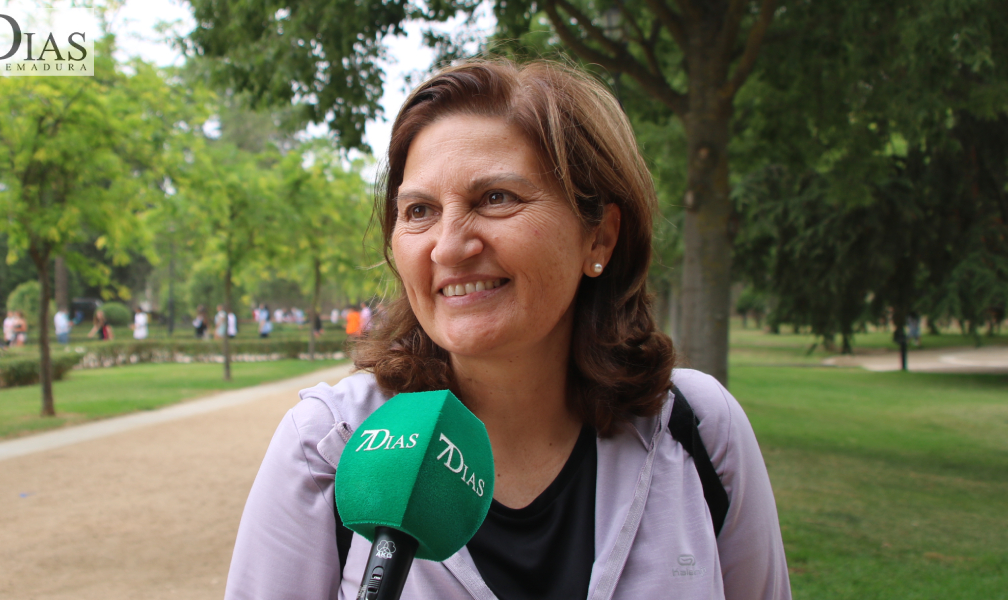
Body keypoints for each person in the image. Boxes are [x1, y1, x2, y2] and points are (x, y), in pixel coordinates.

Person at [224, 61, 790, 600]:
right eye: (419, 210)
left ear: (599, 237)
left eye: (496, 198)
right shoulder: (326, 446)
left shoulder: (698, 431)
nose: (448, 246)